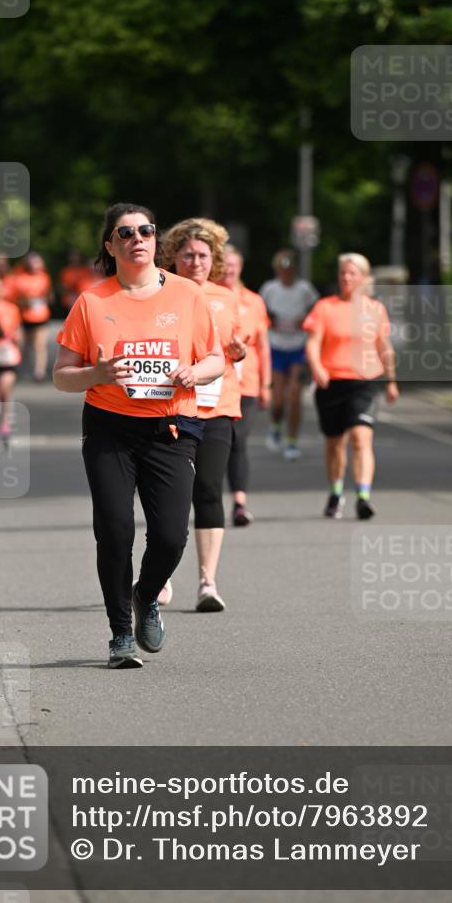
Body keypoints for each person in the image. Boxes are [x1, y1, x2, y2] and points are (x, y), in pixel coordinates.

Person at [53, 203, 224, 669]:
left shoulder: (187, 294)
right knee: (114, 530)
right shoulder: (92, 302)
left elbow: (215, 359)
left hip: (171, 427)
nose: (137, 239)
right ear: (110, 246)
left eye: (145, 230)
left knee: (170, 536)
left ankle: (145, 595)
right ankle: (120, 636)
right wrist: (97, 373)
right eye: (125, 233)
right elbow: (62, 376)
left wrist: (194, 373)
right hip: (109, 427)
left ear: (155, 238)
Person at [161, 218, 245, 610]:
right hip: (172, 406)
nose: (195, 262)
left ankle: (207, 582)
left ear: (214, 261)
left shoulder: (226, 297)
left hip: (218, 405)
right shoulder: (161, 293)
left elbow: (233, 346)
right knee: (170, 494)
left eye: (203, 256)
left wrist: (239, 352)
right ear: (173, 258)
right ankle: (159, 575)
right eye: (188, 255)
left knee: (209, 488)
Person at [304, 252, 399, 520]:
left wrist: (391, 380)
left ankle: (363, 496)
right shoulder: (325, 307)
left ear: (364, 278)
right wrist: (317, 367)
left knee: (360, 437)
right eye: (342, 273)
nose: (346, 278)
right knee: (335, 443)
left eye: (352, 273)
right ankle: (336, 492)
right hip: (331, 381)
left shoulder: (375, 309)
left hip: (363, 382)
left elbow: (383, 345)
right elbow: (313, 343)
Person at [221, 244, 271, 526]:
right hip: (215, 382)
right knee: (217, 443)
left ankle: (239, 504)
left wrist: (267, 384)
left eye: (233, 264)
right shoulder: (207, 296)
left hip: (247, 382)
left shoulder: (254, 301)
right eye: (224, 263)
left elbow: (263, 345)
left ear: (240, 267)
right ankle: (207, 498)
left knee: (238, 441)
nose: (229, 269)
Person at [260, 249, 318, 459]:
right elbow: (260, 311)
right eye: (282, 269)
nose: (286, 273)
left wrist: (305, 319)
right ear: (277, 270)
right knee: (278, 401)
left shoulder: (304, 289)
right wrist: (270, 319)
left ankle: (292, 442)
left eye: (290, 269)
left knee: (294, 397)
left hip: (298, 349)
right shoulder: (269, 289)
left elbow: (317, 310)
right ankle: (276, 426)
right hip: (276, 347)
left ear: (295, 269)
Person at [0, 275, 23, 448]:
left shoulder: (12, 308)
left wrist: (16, 337)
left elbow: (17, 330)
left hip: (8, 355)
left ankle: (5, 425)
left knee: (5, 390)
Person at [9, 252, 53, 381]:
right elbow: (12, 299)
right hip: (23, 317)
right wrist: (24, 302)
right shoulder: (19, 278)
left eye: (38, 262)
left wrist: (44, 300)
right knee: (24, 345)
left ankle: (39, 372)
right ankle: (19, 369)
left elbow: (49, 295)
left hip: (40, 316)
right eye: (33, 262)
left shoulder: (44, 277)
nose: (36, 265)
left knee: (40, 345)